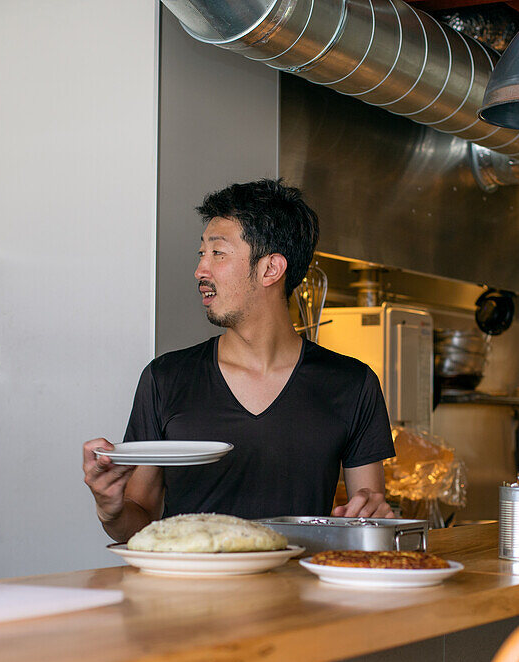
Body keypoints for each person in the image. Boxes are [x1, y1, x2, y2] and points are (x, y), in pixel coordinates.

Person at [83, 179, 396, 542]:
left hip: (299, 595)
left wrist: (372, 516)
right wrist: (112, 510)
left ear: (270, 269)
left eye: (218, 253)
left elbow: (369, 513)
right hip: (188, 595)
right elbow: (138, 523)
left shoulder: (352, 384)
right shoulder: (165, 378)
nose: (201, 270)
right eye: (201, 254)